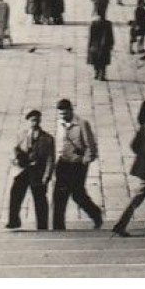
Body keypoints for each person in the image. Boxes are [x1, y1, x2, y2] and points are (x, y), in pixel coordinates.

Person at [51, 99, 102, 230]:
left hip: (77, 165)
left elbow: (91, 147)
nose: (63, 117)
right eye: (60, 114)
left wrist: (84, 161)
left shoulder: (82, 124)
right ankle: (58, 226)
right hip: (63, 163)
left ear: (71, 110)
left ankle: (96, 214)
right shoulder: (59, 123)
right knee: (58, 195)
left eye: (65, 113)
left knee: (77, 194)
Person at [6, 109, 55, 230]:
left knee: (40, 198)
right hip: (23, 170)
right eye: (32, 120)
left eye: (37, 119)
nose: (35, 122)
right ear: (28, 121)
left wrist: (47, 175)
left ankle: (42, 224)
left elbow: (50, 158)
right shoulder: (21, 135)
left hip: (38, 171)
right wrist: (15, 161)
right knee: (15, 194)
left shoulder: (47, 138)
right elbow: (12, 151)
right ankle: (13, 220)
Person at [87, 12, 115, 81]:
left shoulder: (94, 23)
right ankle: (102, 75)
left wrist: (90, 45)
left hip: (95, 44)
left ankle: (97, 73)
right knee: (103, 61)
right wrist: (111, 44)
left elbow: (91, 35)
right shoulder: (108, 24)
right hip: (105, 45)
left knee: (96, 60)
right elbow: (111, 35)